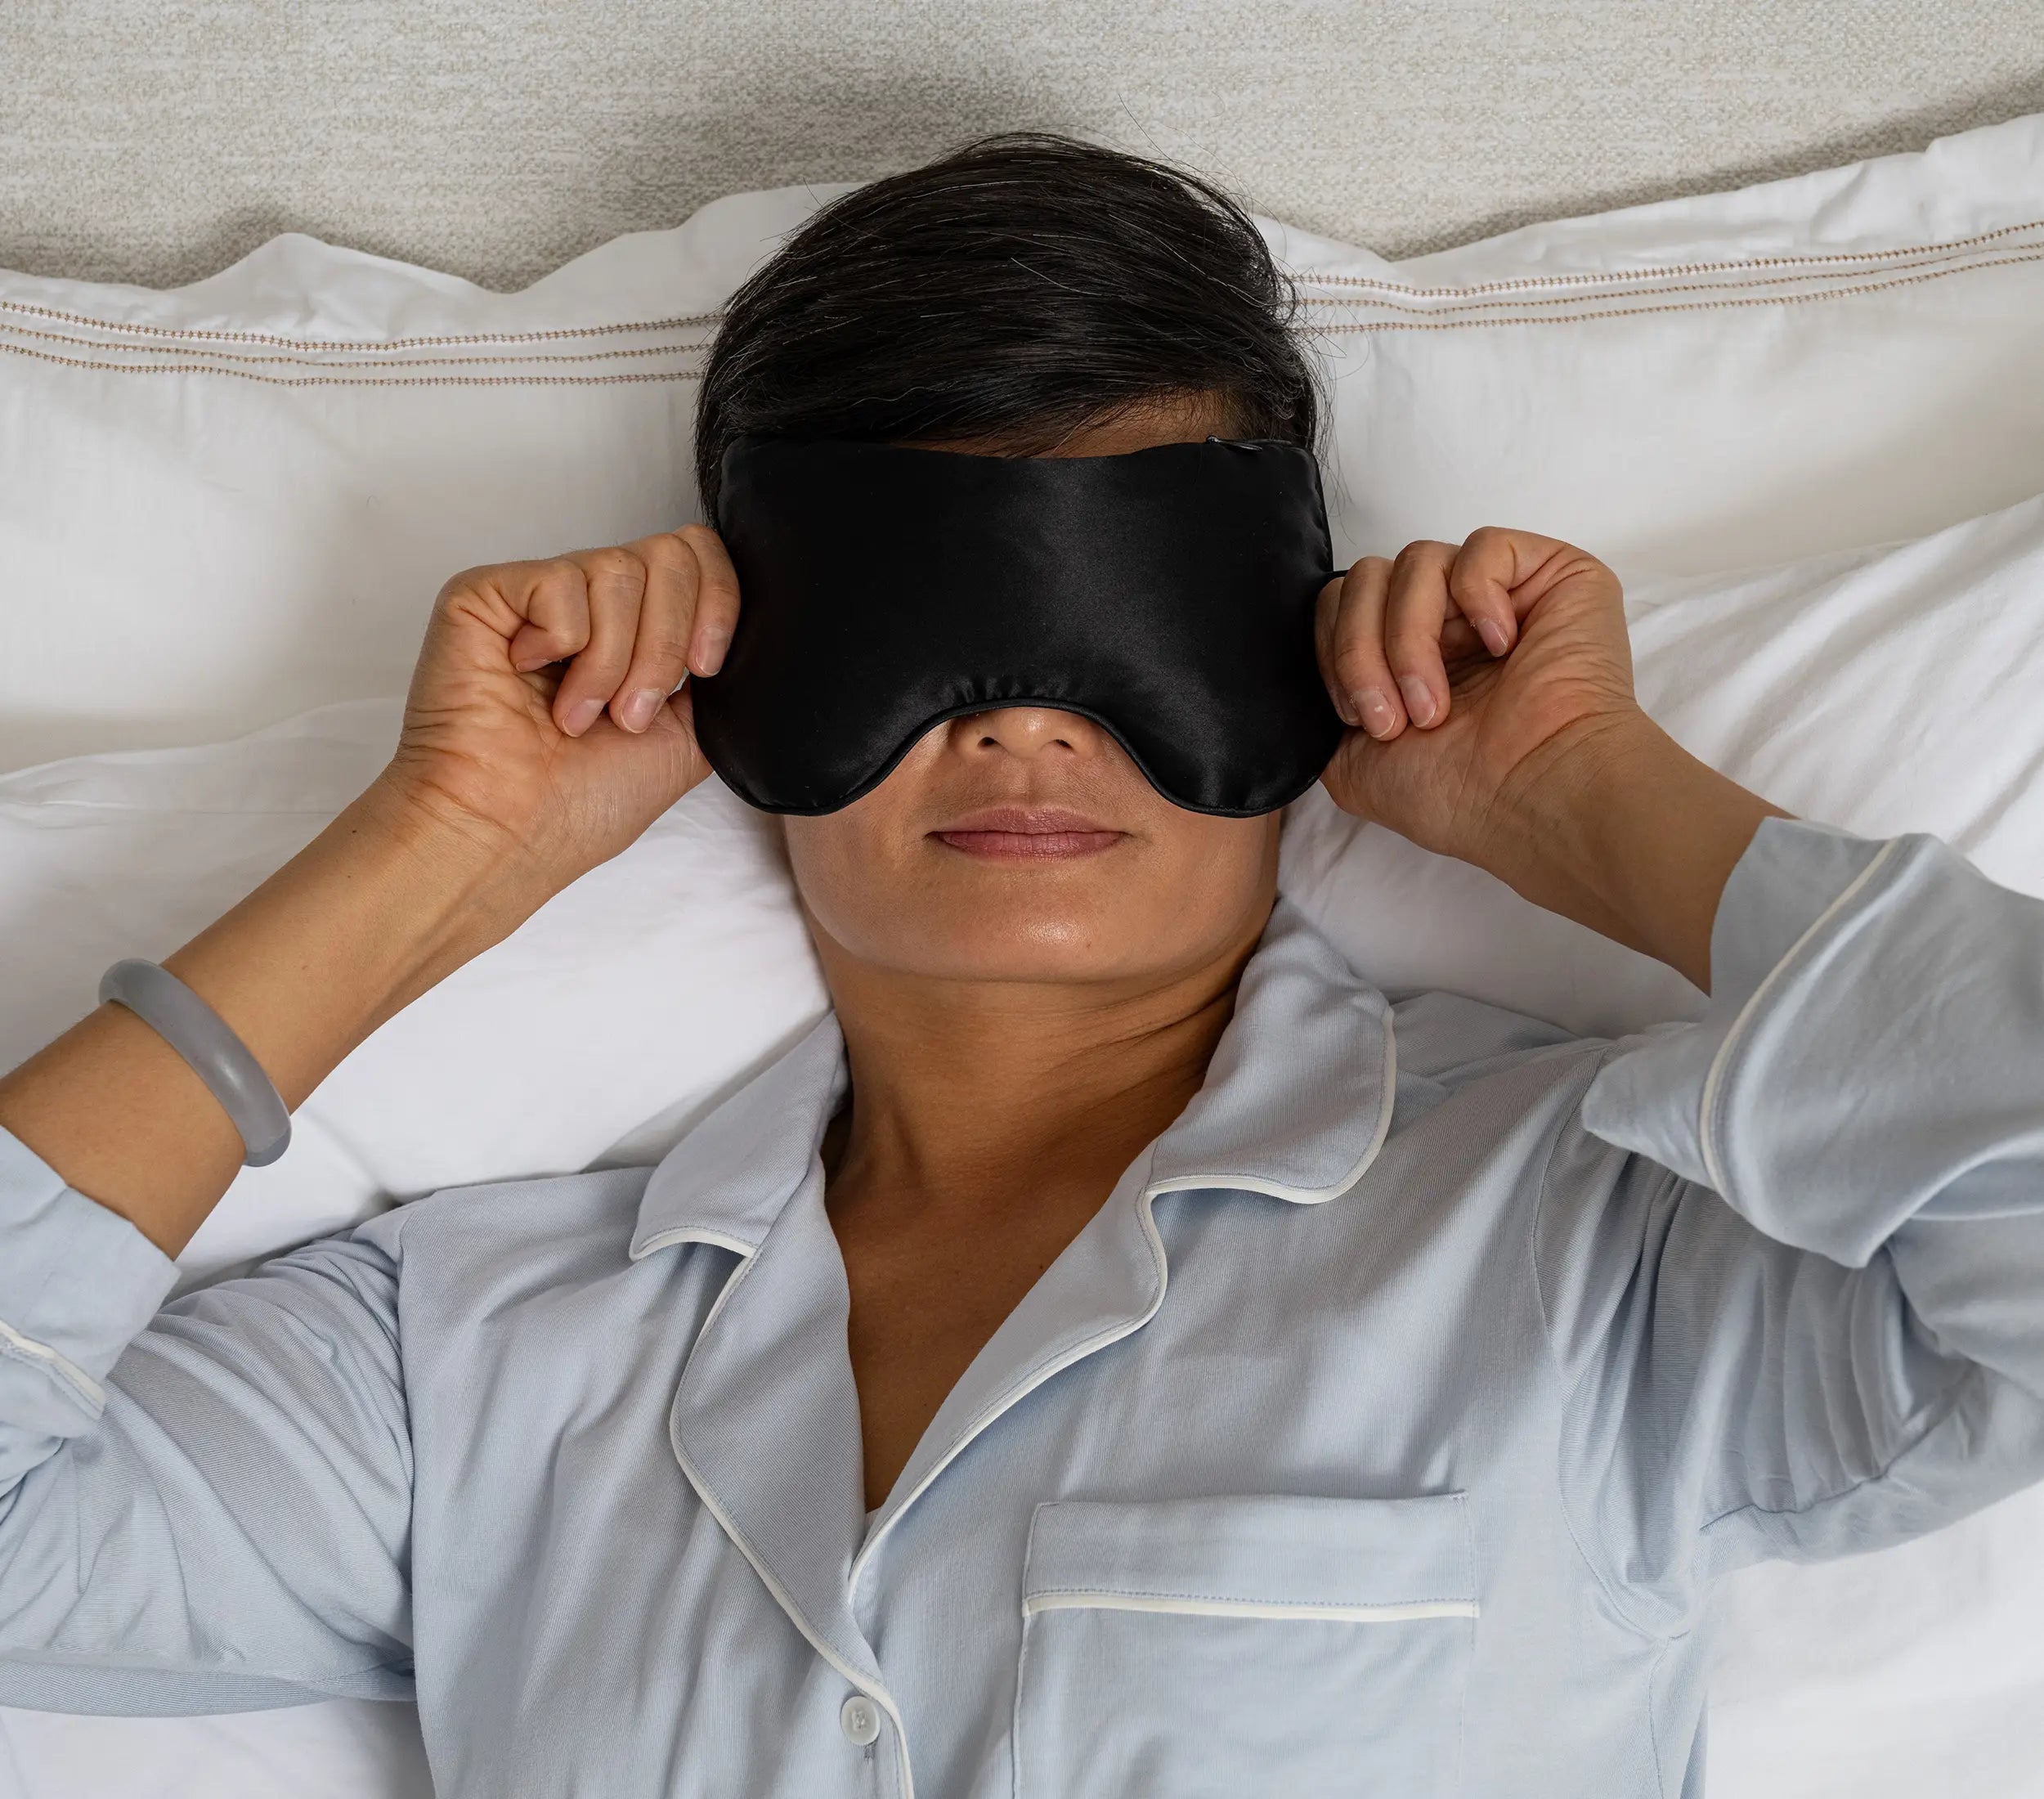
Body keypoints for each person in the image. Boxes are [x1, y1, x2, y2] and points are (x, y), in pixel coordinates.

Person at [1, 130, 2041, 1799]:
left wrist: (1599, 803)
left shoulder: (1596, 1249)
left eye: (1128, 615)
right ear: (741, 674)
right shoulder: (470, 1353)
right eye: (905, 620)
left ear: (1301, 645)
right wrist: (429, 852)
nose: (1021, 724)